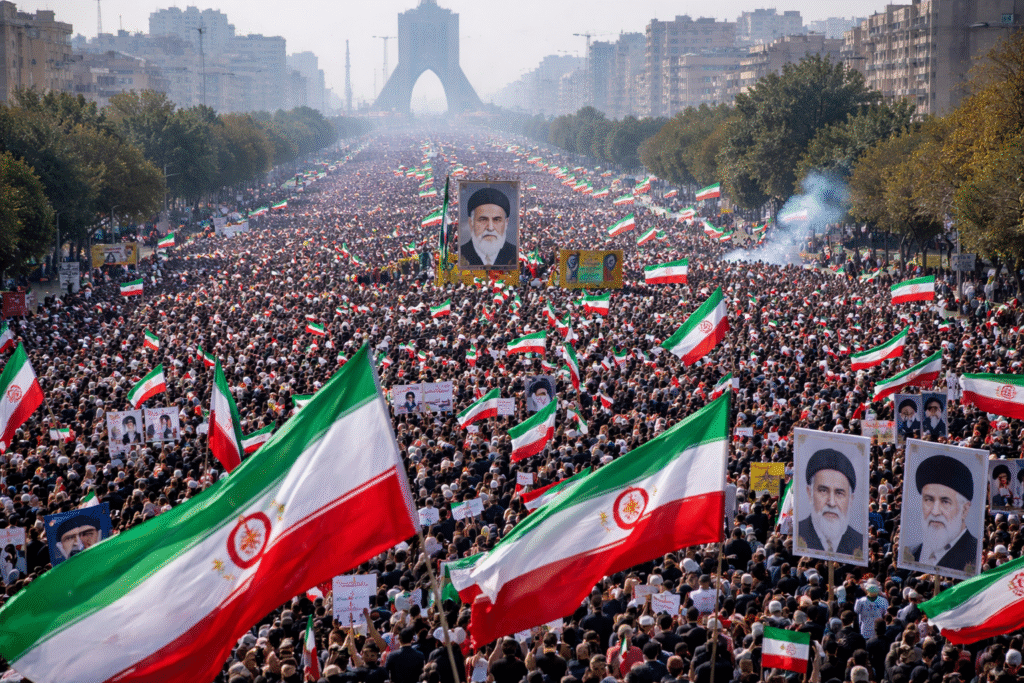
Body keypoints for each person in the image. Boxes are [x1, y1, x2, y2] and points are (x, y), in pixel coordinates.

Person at [908, 455, 978, 573]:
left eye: (945, 502)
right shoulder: (912, 553)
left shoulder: (975, 556)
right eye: (929, 500)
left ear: (965, 510)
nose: (935, 512)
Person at [796, 448, 863, 557]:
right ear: (810, 493)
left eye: (839, 493)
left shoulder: (860, 543)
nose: (831, 503)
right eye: (823, 491)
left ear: (850, 499)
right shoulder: (797, 534)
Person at [459, 187, 516, 268]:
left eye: (496, 220)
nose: (490, 227)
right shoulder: (460, 254)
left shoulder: (515, 254)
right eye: (483, 219)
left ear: (506, 223)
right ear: (471, 223)